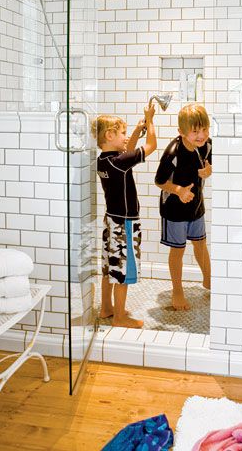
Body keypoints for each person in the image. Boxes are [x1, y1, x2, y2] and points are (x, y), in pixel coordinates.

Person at [91, 106, 156, 328]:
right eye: (121, 133)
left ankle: (106, 308)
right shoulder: (119, 163)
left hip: (111, 220)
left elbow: (127, 148)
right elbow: (151, 146)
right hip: (125, 223)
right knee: (122, 270)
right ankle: (119, 316)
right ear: (109, 135)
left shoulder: (104, 161)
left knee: (110, 266)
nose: (125, 137)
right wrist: (150, 121)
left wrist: (139, 128)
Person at [155, 103, 212, 310]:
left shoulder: (207, 145)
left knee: (201, 244)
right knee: (178, 250)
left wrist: (209, 171)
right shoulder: (173, 152)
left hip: (196, 205)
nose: (201, 135)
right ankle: (177, 292)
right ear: (181, 132)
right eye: (195, 131)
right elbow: (159, 181)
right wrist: (179, 190)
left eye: (204, 129)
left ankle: (209, 280)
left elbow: (209, 165)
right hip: (174, 209)